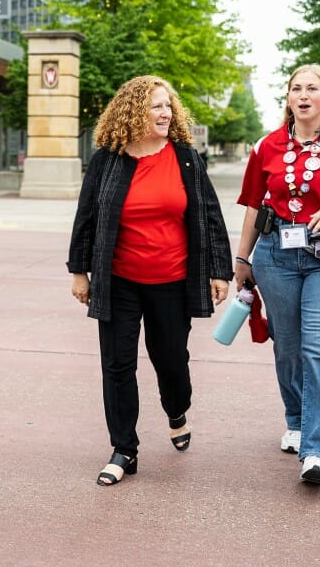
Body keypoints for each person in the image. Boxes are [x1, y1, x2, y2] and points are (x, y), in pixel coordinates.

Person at [67, 75, 233, 487]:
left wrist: (220, 270)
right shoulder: (107, 159)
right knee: (117, 365)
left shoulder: (186, 158)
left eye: (168, 106)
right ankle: (124, 448)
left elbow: (209, 215)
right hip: (118, 279)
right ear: (133, 111)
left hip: (172, 280)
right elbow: (86, 215)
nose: (166, 113)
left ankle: (176, 410)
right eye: (157, 106)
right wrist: (79, 271)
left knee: (172, 361)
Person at [234, 64, 320, 485]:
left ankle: (316, 451)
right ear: (288, 98)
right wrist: (242, 261)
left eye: (312, 88)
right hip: (276, 257)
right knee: (289, 347)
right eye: (296, 88)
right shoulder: (267, 146)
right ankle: (295, 418)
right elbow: (252, 206)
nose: (303, 94)